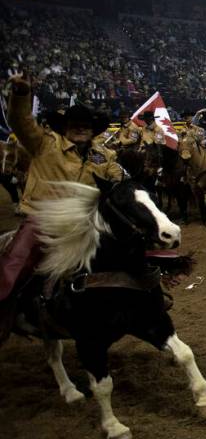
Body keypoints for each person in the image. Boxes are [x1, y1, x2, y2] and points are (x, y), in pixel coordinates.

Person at [0, 75, 125, 342]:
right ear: (65, 127)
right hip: (45, 218)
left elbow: (116, 177)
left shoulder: (104, 155)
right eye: (75, 125)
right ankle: (3, 305)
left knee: (128, 243)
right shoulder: (44, 144)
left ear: (93, 129)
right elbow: (20, 122)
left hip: (86, 221)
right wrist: (21, 94)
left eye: (86, 125)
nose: (80, 129)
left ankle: (146, 294)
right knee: (17, 259)